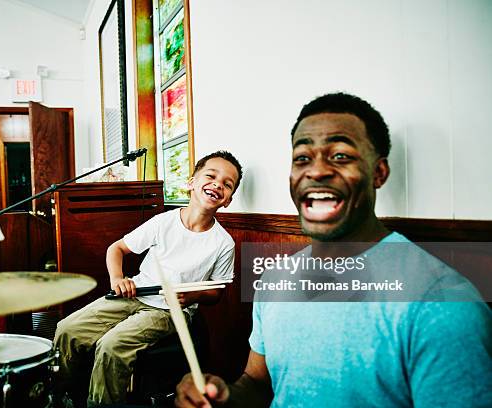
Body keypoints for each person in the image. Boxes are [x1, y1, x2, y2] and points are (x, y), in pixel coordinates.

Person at [175, 93, 492, 407]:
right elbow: (258, 384)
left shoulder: (442, 305)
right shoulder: (274, 279)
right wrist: (226, 397)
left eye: (340, 155)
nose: (316, 171)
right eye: (302, 158)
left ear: (379, 173)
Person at [53, 150, 243, 406]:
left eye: (227, 184)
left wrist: (193, 295)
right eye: (211, 175)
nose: (218, 184)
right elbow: (116, 249)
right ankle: (59, 395)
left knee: (112, 345)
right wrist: (118, 279)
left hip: (170, 310)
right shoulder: (162, 222)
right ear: (191, 183)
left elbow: (216, 292)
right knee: (67, 329)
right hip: (136, 293)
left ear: (228, 200)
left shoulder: (223, 243)